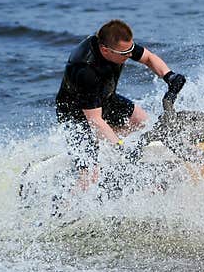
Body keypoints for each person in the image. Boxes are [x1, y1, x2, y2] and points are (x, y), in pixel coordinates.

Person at [55, 19, 186, 188]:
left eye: (131, 50)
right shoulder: (85, 70)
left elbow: (148, 57)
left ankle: (104, 144)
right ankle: (66, 207)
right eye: (125, 54)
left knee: (141, 120)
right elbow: (94, 119)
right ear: (105, 50)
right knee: (90, 176)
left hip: (104, 97)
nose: (130, 55)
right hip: (76, 114)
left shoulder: (118, 44)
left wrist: (169, 76)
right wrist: (119, 146)